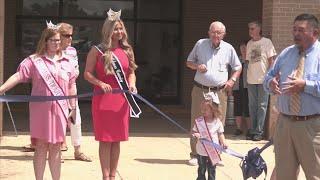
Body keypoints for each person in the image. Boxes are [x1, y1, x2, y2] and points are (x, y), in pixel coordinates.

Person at [0, 21, 77, 180]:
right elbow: (18, 76)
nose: (56, 43)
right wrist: (1, 89)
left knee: (56, 147)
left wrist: (73, 107)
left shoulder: (67, 62)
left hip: (60, 111)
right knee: (41, 146)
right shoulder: (34, 61)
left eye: (58, 40)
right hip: (40, 111)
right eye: (52, 40)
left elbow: (71, 85)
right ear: (45, 41)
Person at [264, 13, 320, 179]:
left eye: (301, 30)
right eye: (294, 29)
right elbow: (268, 76)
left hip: (311, 125)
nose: (296, 34)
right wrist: (271, 83)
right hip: (284, 124)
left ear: (315, 33)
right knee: (284, 175)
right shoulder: (286, 53)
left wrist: (305, 86)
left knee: (315, 174)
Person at [84, 9, 138, 180]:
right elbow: (87, 73)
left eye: (121, 28)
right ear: (108, 30)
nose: (119, 32)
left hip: (122, 100)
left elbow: (131, 72)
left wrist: (132, 84)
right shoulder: (97, 51)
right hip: (103, 99)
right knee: (106, 140)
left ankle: (113, 176)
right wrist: (100, 83)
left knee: (117, 139)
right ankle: (105, 176)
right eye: (116, 29)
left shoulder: (127, 50)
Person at [186, 21, 242, 166]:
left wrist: (232, 80)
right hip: (201, 89)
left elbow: (238, 67)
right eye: (213, 32)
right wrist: (197, 66)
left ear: (224, 34)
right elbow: (189, 62)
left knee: (218, 122)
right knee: (197, 121)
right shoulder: (200, 44)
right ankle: (195, 155)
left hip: (219, 91)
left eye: (219, 33)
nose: (216, 35)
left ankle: (215, 155)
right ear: (209, 32)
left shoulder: (228, 48)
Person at [57, 22, 92, 162]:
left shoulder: (72, 51)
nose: (70, 38)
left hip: (71, 90)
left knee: (75, 121)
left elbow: (75, 71)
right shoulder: (51, 50)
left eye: (71, 35)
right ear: (58, 35)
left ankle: (78, 151)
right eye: (66, 35)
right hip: (56, 92)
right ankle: (56, 152)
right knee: (57, 122)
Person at [246, 20, 277, 141]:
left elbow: (271, 61)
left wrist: (269, 77)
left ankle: (259, 131)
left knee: (262, 105)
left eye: (253, 28)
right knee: (252, 106)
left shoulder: (267, 42)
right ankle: (253, 130)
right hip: (251, 79)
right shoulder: (249, 43)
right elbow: (248, 61)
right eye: (249, 29)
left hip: (263, 80)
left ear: (259, 29)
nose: (251, 31)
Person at [191, 94, 227, 180]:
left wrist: (223, 142)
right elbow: (193, 132)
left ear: (213, 110)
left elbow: (220, 134)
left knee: (212, 170)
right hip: (201, 151)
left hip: (213, 151)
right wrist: (196, 135)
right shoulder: (199, 121)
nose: (203, 111)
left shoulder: (217, 122)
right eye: (202, 109)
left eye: (205, 109)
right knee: (201, 169)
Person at [232, 41, 251, 136]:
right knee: (237, 108)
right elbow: (232, 73)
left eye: (245, 48)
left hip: (247, 88)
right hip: (237, 87)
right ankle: (239, 128)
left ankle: (249, 129)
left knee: (247, 108)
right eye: (241, 48)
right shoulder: (237, 60)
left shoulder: (250, 60)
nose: (243, 50)